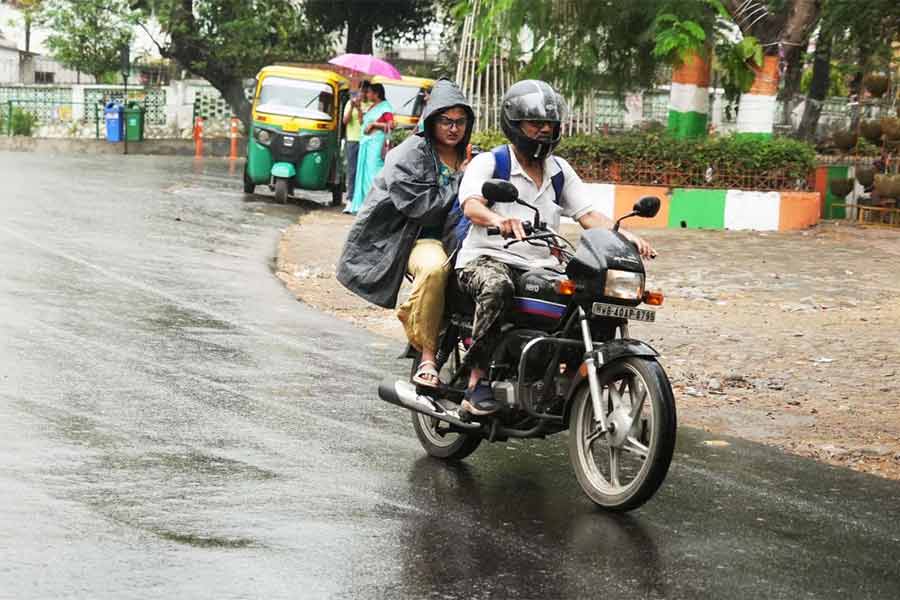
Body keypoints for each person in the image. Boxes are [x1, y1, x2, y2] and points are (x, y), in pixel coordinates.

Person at [455, 80, 655, 417]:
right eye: (535, 123)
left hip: (541, 265)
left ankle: (560, 376)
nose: (545, 130)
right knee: (497, 287)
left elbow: (587, 215)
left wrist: (624, 234)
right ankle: (477, 381)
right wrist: (499, 219)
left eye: (550, 124)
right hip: (487, 259)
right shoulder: (491, 162)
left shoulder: (559, 170)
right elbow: (471, 205)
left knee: (586, 297)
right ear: (514, 124)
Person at [337, 79, 475, 387]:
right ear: (432, 120)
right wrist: (462, 178)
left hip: (465, 239)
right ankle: (427, 354)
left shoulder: (471, 156)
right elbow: (424, 209)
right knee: (434, 269)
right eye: (446, 121)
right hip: (419, 238)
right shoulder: (409, 155)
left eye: (460, 122)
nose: (453, 128)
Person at [348, 83, 394, 214]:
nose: (366, 94)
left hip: (375, 144)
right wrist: (357, 108)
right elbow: (362, 123)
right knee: (364, 174)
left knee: (373, 173)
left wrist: (375, 124)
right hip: (366, 143)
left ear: (376, 94)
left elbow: (391, 125)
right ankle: (364, 204)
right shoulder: (371, 106)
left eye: (368, 92)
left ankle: (374, 205)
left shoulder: (385, 107)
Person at [342, 80, 372, 211]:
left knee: (364, 171)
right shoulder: (350, 103)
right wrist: (353, 107)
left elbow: (363, 123)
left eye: (366, 91)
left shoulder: (371, 105)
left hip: (366, 140)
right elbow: (345, 121)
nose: (364, 94)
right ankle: (350, 199)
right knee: (352, 170)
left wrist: (359, 108)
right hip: (352, 140)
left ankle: (361, 201)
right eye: (362, 91)